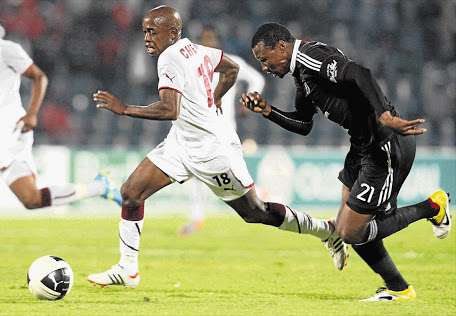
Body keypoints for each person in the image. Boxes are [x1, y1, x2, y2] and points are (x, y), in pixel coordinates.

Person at [86, 6, 348, 290]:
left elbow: (169, 109)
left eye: (152, 32)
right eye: (144, 32)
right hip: (181, 142)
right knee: (131, 193)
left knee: (255, 212)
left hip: (213, 150)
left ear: (172, 33)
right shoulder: (195, 49)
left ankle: (327, 231)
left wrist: (125, 109)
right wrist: (215, 98)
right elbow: (231, 69)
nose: (147, 38)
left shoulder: (169, 59)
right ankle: (127, 269)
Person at [240, 22, 451, 301]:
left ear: (281, 47)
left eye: (265, 60)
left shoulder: (310, 56)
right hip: (362, 147)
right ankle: (399, 289)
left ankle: (432, 207)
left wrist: (384, 113)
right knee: (347, 226)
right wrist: (268, 111)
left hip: (385, 145)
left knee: (352, 231)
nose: (265, 68)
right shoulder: (301, 74)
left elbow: (359, 73)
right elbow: (304, 124)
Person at [0, 4, 122, 267]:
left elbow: (40, 77)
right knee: (29, 199)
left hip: (11, 126)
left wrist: (32, 114)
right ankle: (99, 186)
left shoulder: (6, 49)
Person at [179, 25, 266, 235]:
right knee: (196, 174)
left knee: (236, 174)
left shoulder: (229, 60)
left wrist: (248, 101)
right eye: (204, 38)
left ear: (217, 41)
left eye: (211, 38)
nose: (208, 42)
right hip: (201, 129)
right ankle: (197, 218)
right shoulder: (191, 64)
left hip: (224, 130)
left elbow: (257, 78)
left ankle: (263, 197)